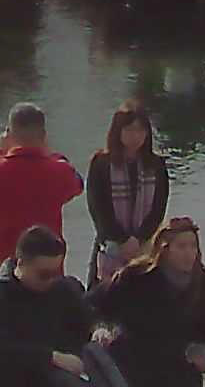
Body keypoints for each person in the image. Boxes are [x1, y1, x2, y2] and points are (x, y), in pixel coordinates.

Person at [97, 217, 205, 387]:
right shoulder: (137, 277)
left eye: (193, 246)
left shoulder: (204, 282)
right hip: (137, 359)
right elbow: (99, 304)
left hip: (181, 363)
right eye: (181, 247)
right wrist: (100, 329)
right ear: (165, 249)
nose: (188, 253)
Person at [0, 223, 102, 387]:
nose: (50, 280)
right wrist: (51, 357)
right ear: (20, 264)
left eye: (55, 273)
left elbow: (86, 318)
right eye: (43, 274)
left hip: (57, 377)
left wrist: (98, 330)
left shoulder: (64, 289)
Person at [0, 103, 90, 281]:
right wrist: (47, 153)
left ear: (9, 135)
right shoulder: (59, 171)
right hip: (46, 278)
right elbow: (78, 183)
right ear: (43, 136)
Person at [88, 102, 172, 289]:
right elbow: (98, 207)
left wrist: (140, 238)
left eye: (140, 130)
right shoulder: (101, 163)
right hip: (110, 243)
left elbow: (159, 207)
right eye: (129, 130)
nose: (135, 136)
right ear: (118, 131)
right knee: (101, 299)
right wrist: (122, 239)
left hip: (145, 244)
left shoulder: (156, 164)